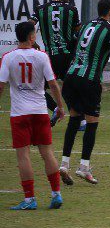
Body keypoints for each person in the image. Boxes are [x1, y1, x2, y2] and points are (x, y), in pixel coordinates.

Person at [61, 0, 110, 185]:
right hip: (89, 80)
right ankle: (84, 167)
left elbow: (71, 44)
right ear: (109, 11)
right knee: (92, 123)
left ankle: (64, 164)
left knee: (74, 120)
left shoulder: (86, 25)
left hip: (71, 77)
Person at [0, 21, 66, 210]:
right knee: (47, 153)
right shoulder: (42, 56)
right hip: (39, 111)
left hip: (20, 114)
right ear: (31, 37)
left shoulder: (8, 57)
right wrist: (60, 107)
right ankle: (56, 194)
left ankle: (30, 199)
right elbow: (53, 84)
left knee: (23, 156)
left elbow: (1, 85)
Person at [30, 0, 81, 126]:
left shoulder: (40, 9)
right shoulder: (72, 10)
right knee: (72, 88)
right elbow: (78, 33)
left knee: (37, 88)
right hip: (67, 57)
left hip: (49, 58)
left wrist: (33, 42)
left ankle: (55, 109)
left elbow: (28, 25)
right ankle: (80, 119)